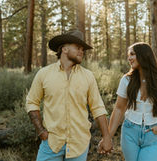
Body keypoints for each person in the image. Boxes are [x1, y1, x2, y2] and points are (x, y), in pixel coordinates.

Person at [26, 29, 113, 161]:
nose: (81, 51)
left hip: (79, 145)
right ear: (64, 49)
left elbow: (98, 108)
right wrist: (41, 131)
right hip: (51, 145)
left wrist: (106, 137)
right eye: (78, 47)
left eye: (83, 49)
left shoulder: (88, 76)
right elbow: (32, 102)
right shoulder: (44, 74)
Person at [104, 42, 157, 161]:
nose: (129, 58)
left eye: (132, 54)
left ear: (143, 55)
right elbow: (119, 108)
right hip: (129, 132)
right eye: (128, 55)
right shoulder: (126, 80)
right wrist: (108, 137)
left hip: (152, 134)